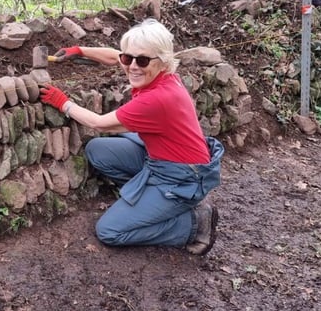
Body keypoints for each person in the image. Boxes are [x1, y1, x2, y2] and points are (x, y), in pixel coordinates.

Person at [39, 18, 224, 255]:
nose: (132, 66)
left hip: (182, 177)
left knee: (109, 231)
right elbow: (115, 56)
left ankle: (194, 224)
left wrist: (62, 103)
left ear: (163, 61)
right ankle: (148, 204)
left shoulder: (156, 99)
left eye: (142, 60)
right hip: (159, 159)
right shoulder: (157, 72)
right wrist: (79, 51)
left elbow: (99, 123)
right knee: (98, 150)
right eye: (129, 58)